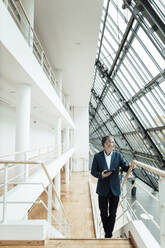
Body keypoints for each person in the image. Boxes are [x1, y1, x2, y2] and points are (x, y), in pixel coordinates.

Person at [91, 135, 134, 238]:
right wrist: (101, 175)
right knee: (103, 213)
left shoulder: (118, 155)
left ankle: (108, 234)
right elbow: (93, 171)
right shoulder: (97, 156)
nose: (113, 144)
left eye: (113, 142)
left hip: (115, 189)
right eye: (111, 142)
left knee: (113, 213)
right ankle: (108, 232)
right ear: (105, 144)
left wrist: (131, 167)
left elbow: (125, 167)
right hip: (103, 189)